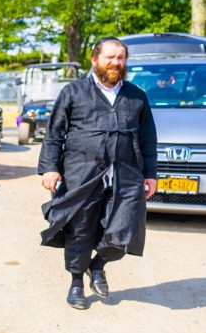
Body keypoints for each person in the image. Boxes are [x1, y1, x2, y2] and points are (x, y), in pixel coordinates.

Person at [39, 37, 158, 310]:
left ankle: (98, 265)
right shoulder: (73, 91)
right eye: (110, 57)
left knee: (125, 229)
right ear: (95, 60)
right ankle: (76, 284)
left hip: (126, 176)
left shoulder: (136, 95)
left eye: (121, 58)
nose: (116, 62)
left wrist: (150, 174)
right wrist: (50, 168)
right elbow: (55, 132)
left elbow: (148, 138)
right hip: (82, 174)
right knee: (80, 231)